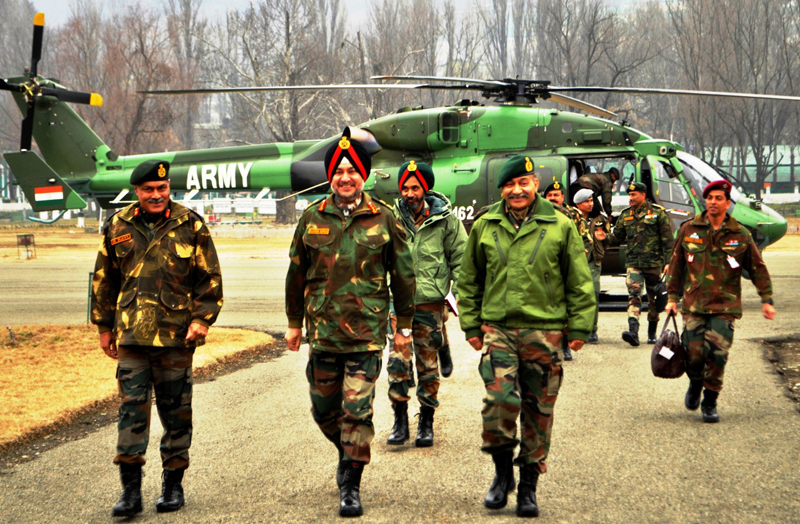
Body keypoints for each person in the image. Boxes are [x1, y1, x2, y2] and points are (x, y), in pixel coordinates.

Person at [284, 128, 415, 517]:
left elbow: (404, 276)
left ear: (364, 176)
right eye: (338, 171)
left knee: (356, 412)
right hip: (322, 335)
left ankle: (350, 483)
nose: (345, 177)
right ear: (331, 177)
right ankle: (349, 451)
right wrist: (294, 323)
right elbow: (296, 274)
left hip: (365, 336)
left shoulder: (384, 219)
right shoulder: (311, 218)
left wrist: (403, 326)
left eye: (352, 171)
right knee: (324, 412)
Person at [457, 155, 595, 517]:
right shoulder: (486, 225)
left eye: (524, 182)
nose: (516, 190)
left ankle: (529, 485)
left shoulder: (561, 225)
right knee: (498, 401)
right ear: (502, 189)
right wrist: (471, 325)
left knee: (538, 410)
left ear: (535, 184)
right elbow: (469, 280)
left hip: (545, 331)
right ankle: (502, 475)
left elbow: (579, 279)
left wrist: (579, 327)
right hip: (498, 330)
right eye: (509, 185)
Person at [91, 159, 223, 517]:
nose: (156, 195)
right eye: (148, 190)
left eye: (161, 189)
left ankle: (173, 485)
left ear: (169, 189)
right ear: (137, 191)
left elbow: (209, 278)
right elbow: (104, 281)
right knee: (131, 411)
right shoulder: (118, 225)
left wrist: (202, 320)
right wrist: (104, 328)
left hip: (175, 337)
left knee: (176, 413)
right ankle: (130, 492)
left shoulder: (189, 223)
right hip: (132, 336)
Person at [666, 179, 775, 423]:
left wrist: (766, 299)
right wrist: (672, 298)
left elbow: (757, 268)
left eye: (718, 198)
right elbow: (676, 266)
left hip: (725, 306)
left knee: (717, 355)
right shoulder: (689, 230)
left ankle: (710, 402)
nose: (713, 202)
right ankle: (695, 383)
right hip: (694, 304)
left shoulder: (740, 234)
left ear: (727, 203)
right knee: (693, 355)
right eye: (709, 198)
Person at [386, 161, 467, 447]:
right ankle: (399, 421)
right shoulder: (390, 219)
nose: (409, 193)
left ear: (425, 188)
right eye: (405, 188)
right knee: (397, 365)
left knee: (428, 368)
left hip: (431, 306)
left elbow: (461, 260)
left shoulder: (446, 221)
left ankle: (427, 421)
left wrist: (458, 295)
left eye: (415, 187)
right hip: (400, 308)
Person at [609, 181, 674, 346]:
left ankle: (652, 333)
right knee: (634, 296)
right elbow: (617, 237)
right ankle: (633, 332)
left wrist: (669, 262)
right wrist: (603, 237)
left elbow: (668, 240)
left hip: (653, 263)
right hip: (634, 263)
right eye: (629, 195)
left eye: (633, 195)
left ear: (643, 195)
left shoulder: (658, 214)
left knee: (654, 299)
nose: (630, 198)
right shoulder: (625, 215)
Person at [541, 180, 582, 360]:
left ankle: (564, 346)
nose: (552, 198)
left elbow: (582, 240)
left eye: (556, 195)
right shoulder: (537, 215)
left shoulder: (573, 215)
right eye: (549, 196)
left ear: (562, 197)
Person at [573, 189, 610, 344]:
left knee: (593, 293)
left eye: (591, 200)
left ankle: (592, 329)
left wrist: (605, 237)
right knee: (576, 297)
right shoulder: (571, 218)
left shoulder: (601, 218)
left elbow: (611, 239)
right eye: (586, 201)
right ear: (578, 204)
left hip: (593, 261)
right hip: (576, 261)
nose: (590, 204)